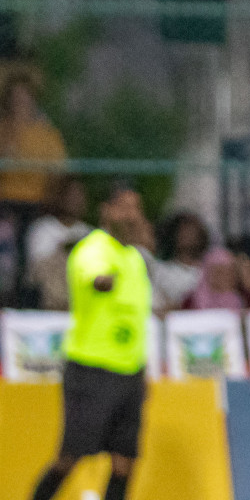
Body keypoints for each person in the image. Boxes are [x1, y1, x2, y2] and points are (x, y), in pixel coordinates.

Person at [28, 182, 152, 500]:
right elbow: (96, 279)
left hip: (129, 372)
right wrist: (105, 281)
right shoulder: (93, 249)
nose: (131, 215)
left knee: (125, 461)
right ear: (106, 211)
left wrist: (142, 370)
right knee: (70, 457)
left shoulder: (135, 259)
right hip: (92, 370)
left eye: (136, 208)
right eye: (124, 207)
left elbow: (137, 320)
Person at [0, 71, 68, 216]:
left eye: (24, 96)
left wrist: (49, 200)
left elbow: (59, 171)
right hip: (5, 201)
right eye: (15, 97)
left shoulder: (47, 134)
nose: (20, 102)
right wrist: (14, 130)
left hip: (39, 203)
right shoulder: (3, 130)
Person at [24, 177, 91, 304]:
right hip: (48, 295)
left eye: (79, 196)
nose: (75, 201)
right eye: (71, 195)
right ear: (61, 198)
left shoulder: (88, 232)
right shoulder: (42, 228)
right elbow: (37, 268)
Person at [148, 211, 211, 312]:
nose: (187, 235)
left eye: (191, 231)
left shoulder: (209, 270)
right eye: (183, 231)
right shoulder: (161, 269)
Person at [184, 247, 250, 311]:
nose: (226, 277)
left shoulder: (246, 298)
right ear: (207, 274)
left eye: (230, 271)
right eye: (220, 272)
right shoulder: (190, 302)